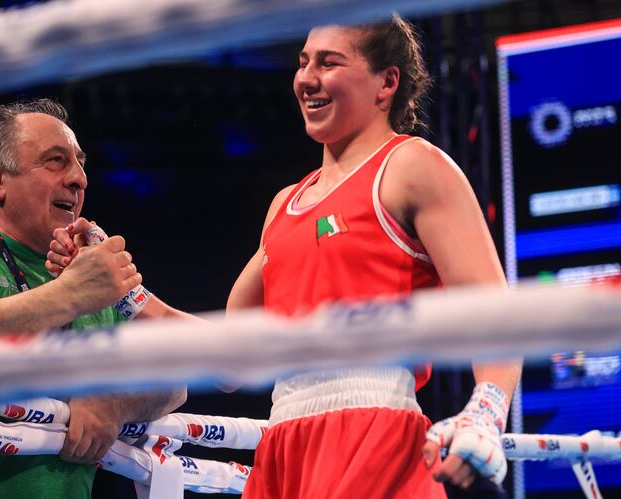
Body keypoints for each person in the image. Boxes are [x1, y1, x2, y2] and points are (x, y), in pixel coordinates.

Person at [222, 17, 521, 498]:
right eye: (302, 62)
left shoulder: (411, 167)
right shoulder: (285, 204)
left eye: (329, 62)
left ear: (386, 82)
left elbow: (493, 311)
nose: (307, 77)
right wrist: (125, 291)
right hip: (283, 442)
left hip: (375, 434)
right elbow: (228, 361)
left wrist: (485, 412)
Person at [0, 98, 187, 498]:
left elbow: (177, 378)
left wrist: (116, 402)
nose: (79, 178)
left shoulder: (91, 272)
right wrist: (68, 295)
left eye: (80, 162)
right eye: (55, 161)